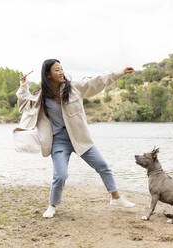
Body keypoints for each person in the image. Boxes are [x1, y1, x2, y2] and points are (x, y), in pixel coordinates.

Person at [14, 59, 135, 218]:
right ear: (48, 75)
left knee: (103, 165)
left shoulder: (75, 87)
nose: (61, 72)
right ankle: (52, 205)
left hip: (79, 137)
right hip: (59, 141)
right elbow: (23, 105)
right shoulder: (41, 96)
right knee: (60, 175)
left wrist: (119, 72)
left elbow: (97, 81)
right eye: (57, 70)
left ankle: (116, 197)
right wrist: (24, 86)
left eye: (61, 69)